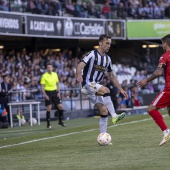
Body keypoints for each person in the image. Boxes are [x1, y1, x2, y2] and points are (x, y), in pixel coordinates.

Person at [76, 34, 128, 134]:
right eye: (107, 43)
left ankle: (103, 137)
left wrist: (121, 89)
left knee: (104, 111)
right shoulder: (92, 54)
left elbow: (112, 76)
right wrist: (79, 75)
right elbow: (80, 65)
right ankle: (114, 116)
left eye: (110, 44)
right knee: (106, 90)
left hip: (95, 87)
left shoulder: (108, 59)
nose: (109, 45)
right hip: (88, 83)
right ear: (100, 43)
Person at [137, 34, 170, 146]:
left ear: (165, 43)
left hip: (169, 89)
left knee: (151, 109)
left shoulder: (164, 56)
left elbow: (158, 72)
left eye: (162, 43)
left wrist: (146, 80)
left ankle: (166, 131)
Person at [40, 62, 65, 128]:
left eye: (50, 67)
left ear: (52, 68)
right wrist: (45, 95)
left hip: (54, 92)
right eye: (48, 67)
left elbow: (58, 84)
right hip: (48, 92)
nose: (49, 68)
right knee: (49, 107)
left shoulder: (55, 74)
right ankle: (48, 124)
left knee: (60, 106)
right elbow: (42, 86)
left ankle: (60, 121)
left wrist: (59, 92)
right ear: (46, 68)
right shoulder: (44, 76)